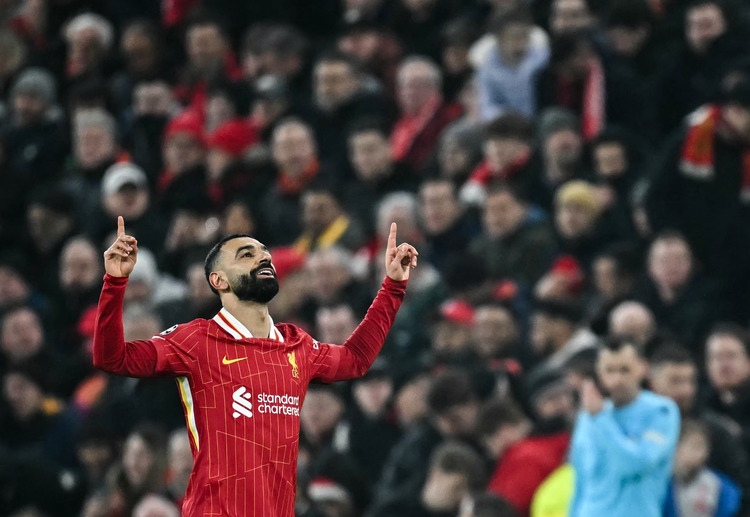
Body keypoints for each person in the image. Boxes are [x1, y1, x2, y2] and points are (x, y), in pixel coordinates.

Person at [92, 216, 418, 516]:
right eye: (246, 255)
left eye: (264, 253)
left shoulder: (297, 344)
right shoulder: (196, 340)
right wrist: (115, 282)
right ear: (218, 280)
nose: (263, 258)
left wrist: (392, 286)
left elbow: (356, 360)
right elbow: (113, 358)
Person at [569, 335, 680, 517]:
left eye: (625, 370)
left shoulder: (661, 411)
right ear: (599, 372)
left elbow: (637, 463)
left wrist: (601, 419)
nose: (617, 379)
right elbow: (580, 483)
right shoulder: (587, 417)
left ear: (642, 368)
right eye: (610, 370)